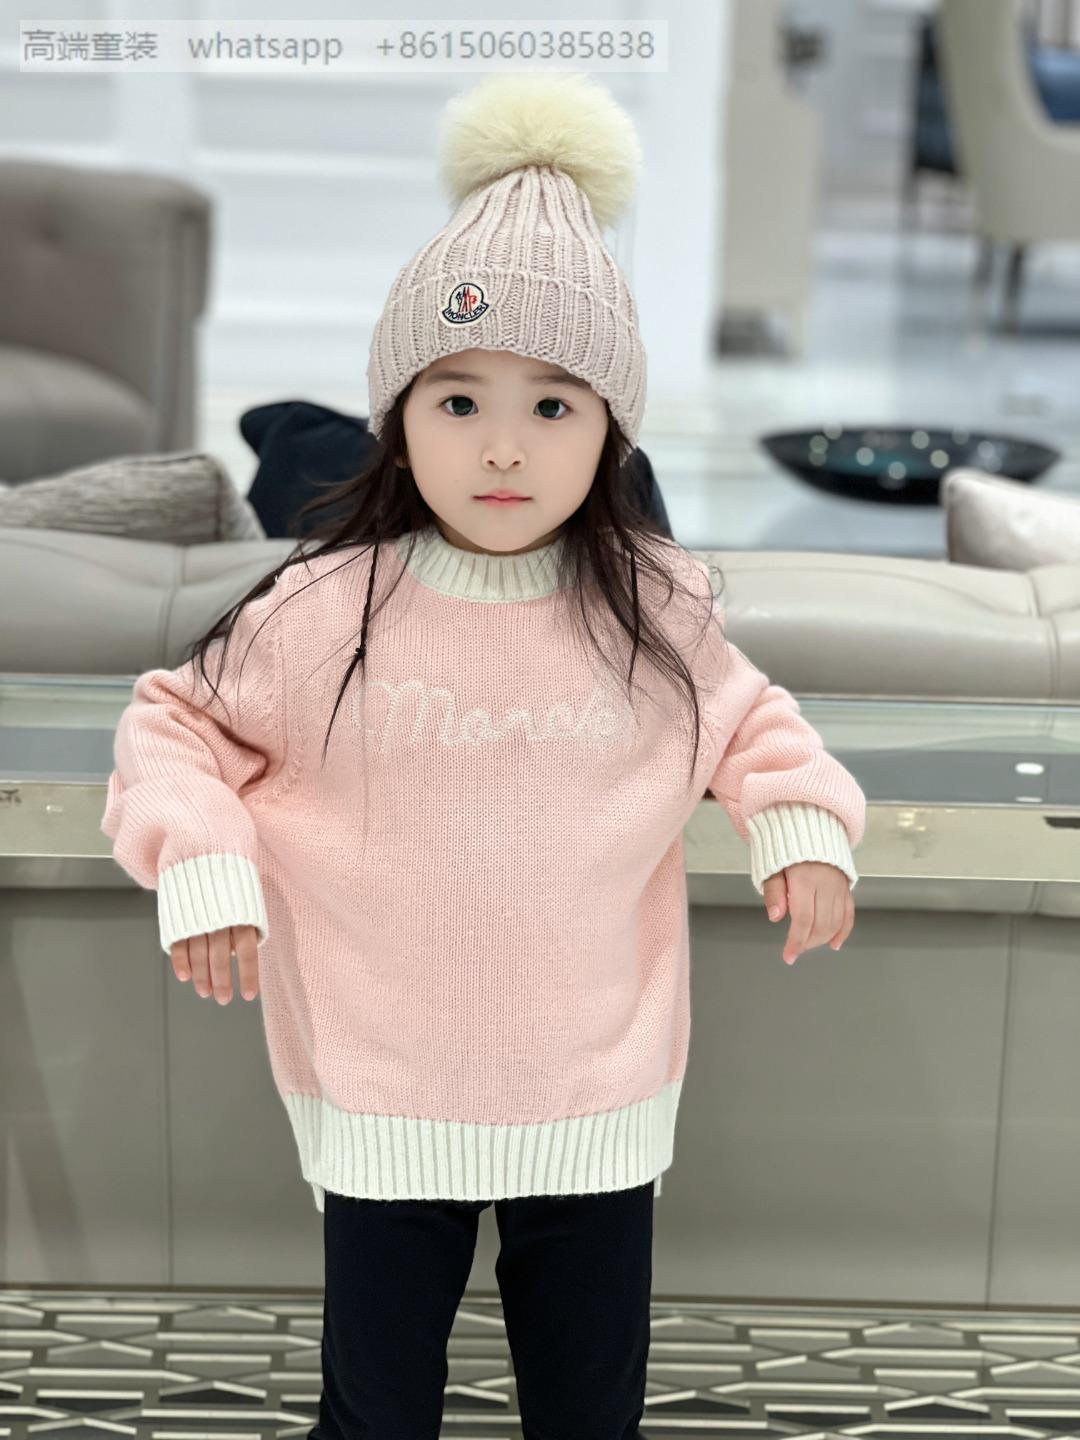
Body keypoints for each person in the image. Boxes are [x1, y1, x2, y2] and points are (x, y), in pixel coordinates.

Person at [101, 71, 866, 1440]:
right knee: (376, 1415)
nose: (504, 447)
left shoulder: (656, 605)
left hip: (597, 1093)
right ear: (398, 418)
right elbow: (174, 723)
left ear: (612, 432)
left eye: (554, 407)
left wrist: (801, 821)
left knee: (589, 1413)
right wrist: (201, 858)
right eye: (458, 402)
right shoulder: (322, 608)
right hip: (383, 1088)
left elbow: (755, 721)